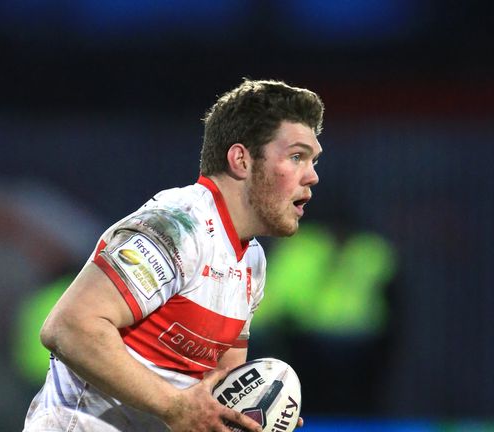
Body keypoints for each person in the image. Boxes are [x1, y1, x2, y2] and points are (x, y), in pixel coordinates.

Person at [23, 79, 324, 432]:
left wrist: (244, 420)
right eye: (296, 156)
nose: (313, 176)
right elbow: (69, 328)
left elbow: (216, 388)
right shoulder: (176, 227)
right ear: (241, 159)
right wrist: (174, 406)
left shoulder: (252, 260)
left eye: (312, 160)